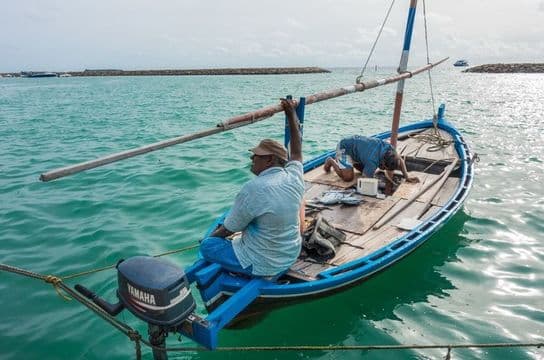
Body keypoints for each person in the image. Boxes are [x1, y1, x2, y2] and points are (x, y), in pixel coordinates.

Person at [199, 99, 304, 277]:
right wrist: (291, 114)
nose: (251, 159)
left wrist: (211, 239)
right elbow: (296, 150)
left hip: (263, 264)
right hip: (290, 255)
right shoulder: (294, 176)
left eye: (256, 156)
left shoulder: (253, 188)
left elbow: (228, 230)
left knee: (207, 246)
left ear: (270, 160)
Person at [324, 135, 419, 185]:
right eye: (385, 168)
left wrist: (407, 177)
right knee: (348, 178)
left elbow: (400, 161)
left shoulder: (391, 150)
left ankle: (353, 162)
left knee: (366, 171)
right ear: (383, 163)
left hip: (358, 149)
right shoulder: (372, 161)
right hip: (345, 147)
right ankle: (331, 161)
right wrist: (376, 184)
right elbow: (365, 179)